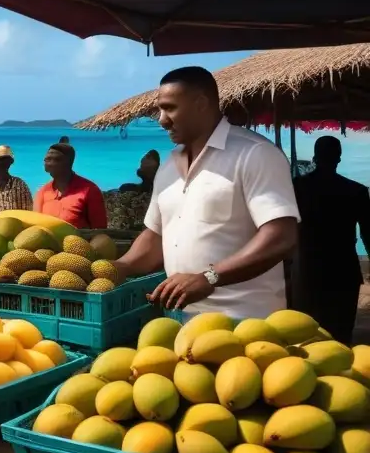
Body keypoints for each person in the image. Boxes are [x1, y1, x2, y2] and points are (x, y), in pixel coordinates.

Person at [113, 67, 299, 317]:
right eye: (160, 110)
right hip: (178, 318)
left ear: (201, 104)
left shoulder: (255, 154)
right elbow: (156, 236)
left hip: (246, 320)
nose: (161, 119)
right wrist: (119, 267)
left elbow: (281, 237)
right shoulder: (168, 166)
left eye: (170, 108)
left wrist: (210, 277)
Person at [291, 136, 370, 344]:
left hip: (307, 270)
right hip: (344, 271)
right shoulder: (357, 191)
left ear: (315, 157)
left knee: (303, 334)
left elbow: (284, 228)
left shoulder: (296, 188)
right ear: (339, 159)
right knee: (341, 334)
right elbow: (367, 233)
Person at [34, 143, 107, 229]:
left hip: (81, 241)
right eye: (47, 159)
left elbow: (100, 229)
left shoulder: (89, 190)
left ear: (69, 163)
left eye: (56, 159)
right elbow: (36, 226)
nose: (49, 163)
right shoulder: (43, 192)